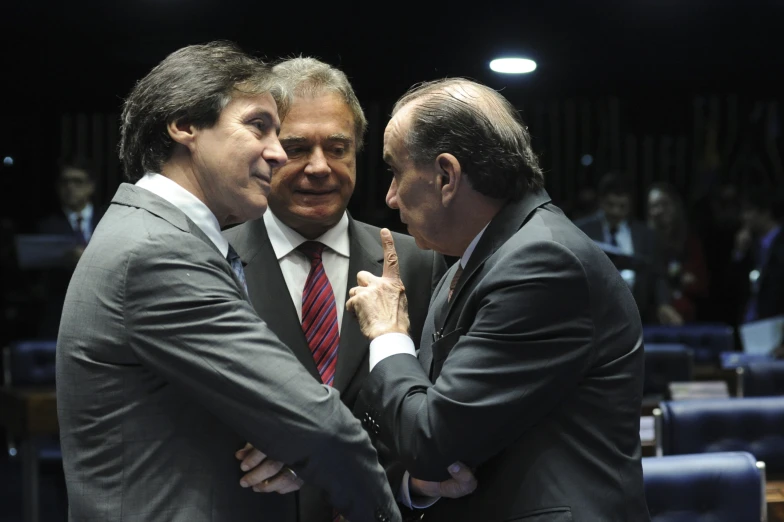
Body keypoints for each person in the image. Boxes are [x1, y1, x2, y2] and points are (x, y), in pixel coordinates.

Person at [55, 41, 399, 522]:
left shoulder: (156, 234)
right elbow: (319, 423)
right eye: (258, 126)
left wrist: (286, 442)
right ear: (184, 126)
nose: (279, 154)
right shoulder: (160, 251)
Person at [345, 79, 650, 521]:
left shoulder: (542, 262)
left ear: (446, 176)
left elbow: (429, 441)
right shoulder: (477, 263)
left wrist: (388, 334)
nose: (390, 196)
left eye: (395, 171)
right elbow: (430, 440)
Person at [222, 57, 469, 521]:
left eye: (337, 148)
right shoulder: (211, 259)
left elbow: (434, 411)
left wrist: (406, 482)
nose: (320, 167)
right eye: (297, 148)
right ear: (265, 149)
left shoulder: (420, 260)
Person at [577, 172, 683, 325]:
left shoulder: (646, 236)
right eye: (610, 205)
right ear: (601, 202)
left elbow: (657, 274)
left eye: (622, 206)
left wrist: (663, 303)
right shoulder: (582, 230)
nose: (616, 212)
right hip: (592, 313)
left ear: (630, 205)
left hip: (638, 315)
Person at [35, 158, 106, 336]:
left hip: (102, 306)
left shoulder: (108, 220)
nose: (70, 188)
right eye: (65, 182)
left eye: (78, 181)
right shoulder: (45, 226)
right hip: (59, 308)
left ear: (91, 186)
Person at [646, 182, 708, 322]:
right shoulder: (644, 241)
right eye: (654, 206)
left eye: (665, 204)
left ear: (675, 205)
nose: (661, 210)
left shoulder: (690, 241)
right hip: (652, 314)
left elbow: (699, 284)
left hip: (685, 315)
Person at [732, 185, 784, 323]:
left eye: (749, 211)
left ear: (765, 212)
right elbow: (732, 288)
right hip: (750, 323)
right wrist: (740, 252)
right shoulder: (750, 244)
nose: (744, 217)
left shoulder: (781, 244)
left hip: (775, 325)